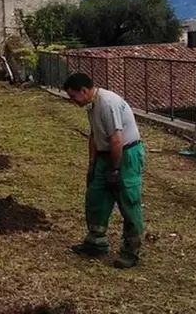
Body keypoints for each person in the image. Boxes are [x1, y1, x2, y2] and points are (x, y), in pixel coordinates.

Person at [63, 72, 146, 269]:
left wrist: (115, 170)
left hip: (125, 155)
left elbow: (116, 140)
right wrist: (92, 165)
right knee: (95, 196)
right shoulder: (91, 106)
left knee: (128, 200)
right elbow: (94, 135)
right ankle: (96, 242)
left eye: (73, 96)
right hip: (104, 155)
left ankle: (131, 251)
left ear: (84, 91)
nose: (73, 101)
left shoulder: (108, 104)